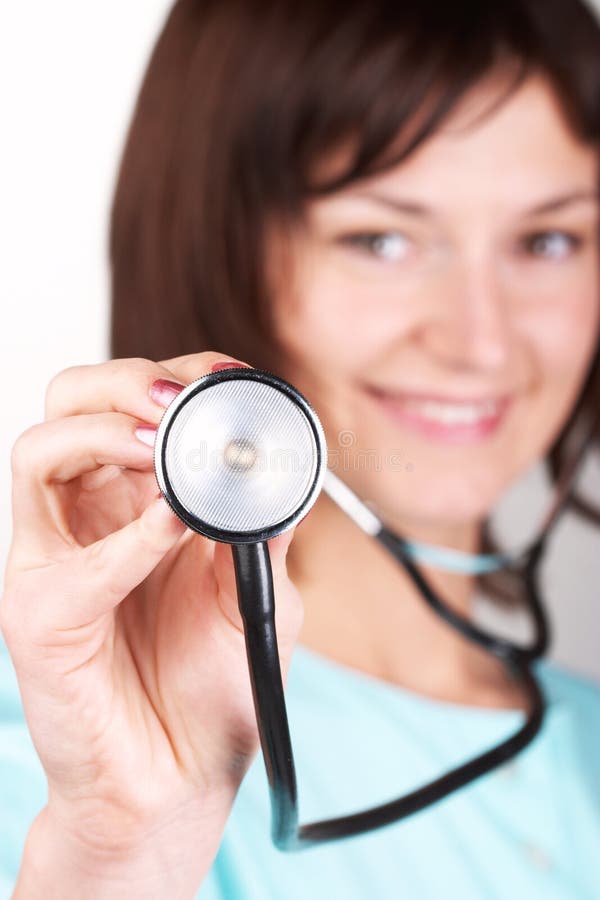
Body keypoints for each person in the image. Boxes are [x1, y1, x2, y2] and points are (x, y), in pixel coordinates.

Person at [1, 0, 600, 896]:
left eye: (548, 240)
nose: (483, 341)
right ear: (218, 250)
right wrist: (121, 854)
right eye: (382, 239)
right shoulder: (63, 773)